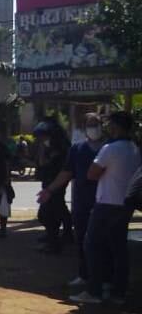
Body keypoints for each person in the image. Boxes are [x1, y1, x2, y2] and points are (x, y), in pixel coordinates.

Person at [72, 111, 140, 305]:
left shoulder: (109, 148)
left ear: (117, 127)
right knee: (118, 248)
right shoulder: (134, 148)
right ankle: (118, 291)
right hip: (125, 203)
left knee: (92, 244)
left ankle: (94, 291)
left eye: (110, 125)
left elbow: (92, 174)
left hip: (107, 203)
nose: (107, 128)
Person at [39, 113, 104, 286]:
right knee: (83, 240)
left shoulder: (108, 148)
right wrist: (49, 190)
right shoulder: (77, 149)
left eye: (96, 124)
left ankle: (105, 279)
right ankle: (84, 275)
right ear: (84, 128)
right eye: (90, 124)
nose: (93, 128)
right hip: (82, 201)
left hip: (105, 202)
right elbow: (66, 173)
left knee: (104, 242)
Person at [33, 118, 72, 255]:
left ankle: (54, 242)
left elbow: (50, 165)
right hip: (49, 183)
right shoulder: (49, 147)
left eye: (44, 136)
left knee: (48, 213)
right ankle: (59, 235)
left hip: (56, 183)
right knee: (57, 209)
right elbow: (41, 164)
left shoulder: (61, 148)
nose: (42, 139)